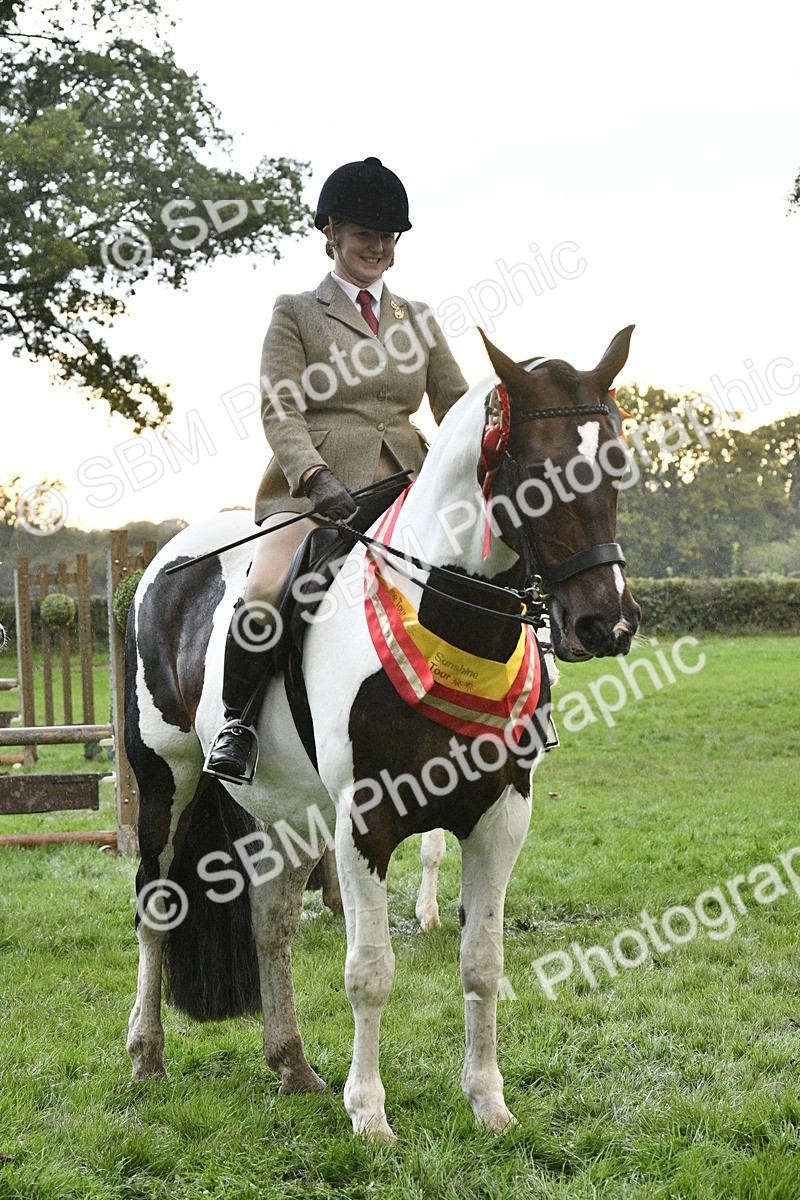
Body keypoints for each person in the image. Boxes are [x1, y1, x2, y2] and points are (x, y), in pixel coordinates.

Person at [205, 156, 469, 783]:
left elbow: (455, 407)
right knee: (268, 589)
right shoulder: (297, 311)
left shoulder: (421, 319)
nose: (375, 247)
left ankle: (514, 708)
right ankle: (237, 726)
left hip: (408, 485)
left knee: (482, 569)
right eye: (362, 234)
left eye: (385, 237)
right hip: (315, 493)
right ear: (331, 234)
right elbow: (279, 405)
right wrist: (313, 475)